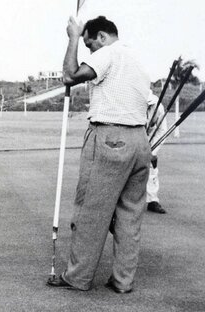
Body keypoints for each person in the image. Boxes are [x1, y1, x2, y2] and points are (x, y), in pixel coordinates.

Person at [47, 16, 151, 293]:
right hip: (140, 140)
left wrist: (72, 37)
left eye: (89, 44)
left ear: (102, 37)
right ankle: (123, 281)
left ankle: (78, 277)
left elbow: (69, 76)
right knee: (129, 217)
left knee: (91, 213)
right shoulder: (136, 59)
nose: (90, 51)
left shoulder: (107, 53)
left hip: (110, 138)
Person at [146, 91, 168, 214]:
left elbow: (162, 130)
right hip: (132, 137)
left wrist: (152, 151)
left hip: (150, 140)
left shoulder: (158, 106)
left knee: (152, 167)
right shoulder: (132, 103)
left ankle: (152, 200)